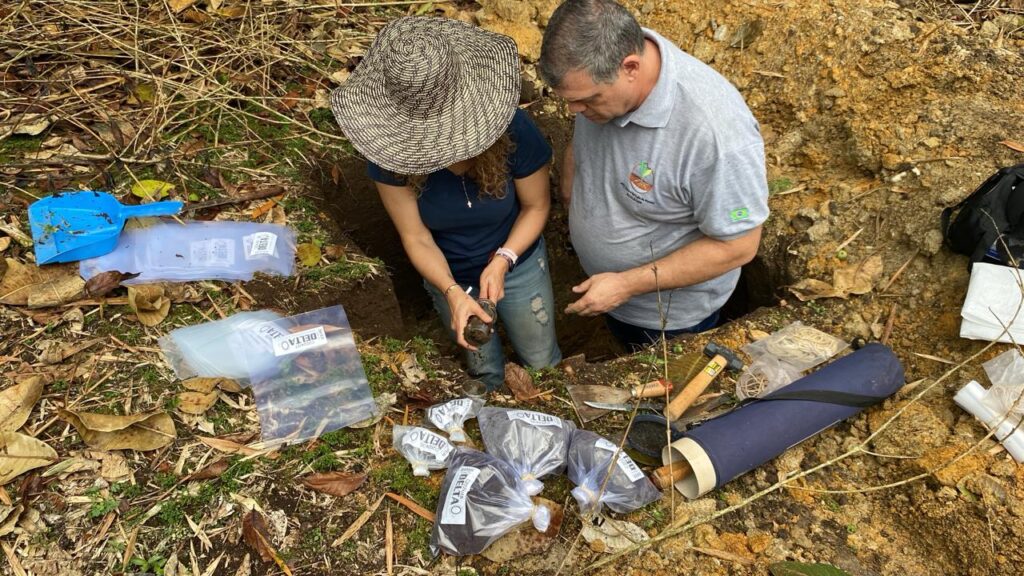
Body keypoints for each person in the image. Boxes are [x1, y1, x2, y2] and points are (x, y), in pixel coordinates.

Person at [330, 17, 561, 391]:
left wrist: (504, 258)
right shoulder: (389, 153)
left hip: (519, 264)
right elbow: (416, 236)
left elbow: (536, 206)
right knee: (483, 368)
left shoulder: (514, 129)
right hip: (448, 275)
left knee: (540, 360)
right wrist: (451, 292)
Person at [538, 0, 770, 351]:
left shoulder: (716, 136)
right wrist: (571, 185)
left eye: (586, 101)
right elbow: (584, 130)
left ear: (630, 66)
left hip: (669, 319)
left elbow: (739, 245)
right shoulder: (601, 83)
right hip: (611, 294)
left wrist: (625, 285)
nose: (574, 112)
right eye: (569, 101)